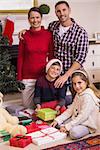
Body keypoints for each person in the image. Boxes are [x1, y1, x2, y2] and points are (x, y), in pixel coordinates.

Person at [18, 1, 89, 105]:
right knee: (55, 106)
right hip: (54, 75)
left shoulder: (80, 32)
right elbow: (38, 34)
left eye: (64, 10)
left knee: (77, 104)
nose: (61, 13)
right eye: (58, 11)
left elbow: (80, 58)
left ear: (69, 10)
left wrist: (65, 76)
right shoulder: (53, 26)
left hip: (71, 75)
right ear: (56, 13)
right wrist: (25, 31)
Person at [17, 7, 54, 108]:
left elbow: (51, 56)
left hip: (43, 76)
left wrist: (51, 75)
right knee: (27, 107)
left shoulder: (48, 35)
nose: (35, 20)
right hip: (27, 77)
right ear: (28, 19)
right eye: (32, 18)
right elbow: (20, 57)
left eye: (37, 17)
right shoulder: (24, 35)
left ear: (41, 18)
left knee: (41, 107)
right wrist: (19, 77)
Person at [51, 69, 100, 139]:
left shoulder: (88, 96)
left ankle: (71, 129)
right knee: (57, 123)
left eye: (79, 83)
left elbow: (83, 116)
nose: (77, 86)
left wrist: (67, 126)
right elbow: (70, 110)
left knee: (74, 133)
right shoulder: (79, 94)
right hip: (77, 119)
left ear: (86, 82)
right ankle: (66, 127)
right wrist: (58, 120)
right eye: (74, 83)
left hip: (87, 124)